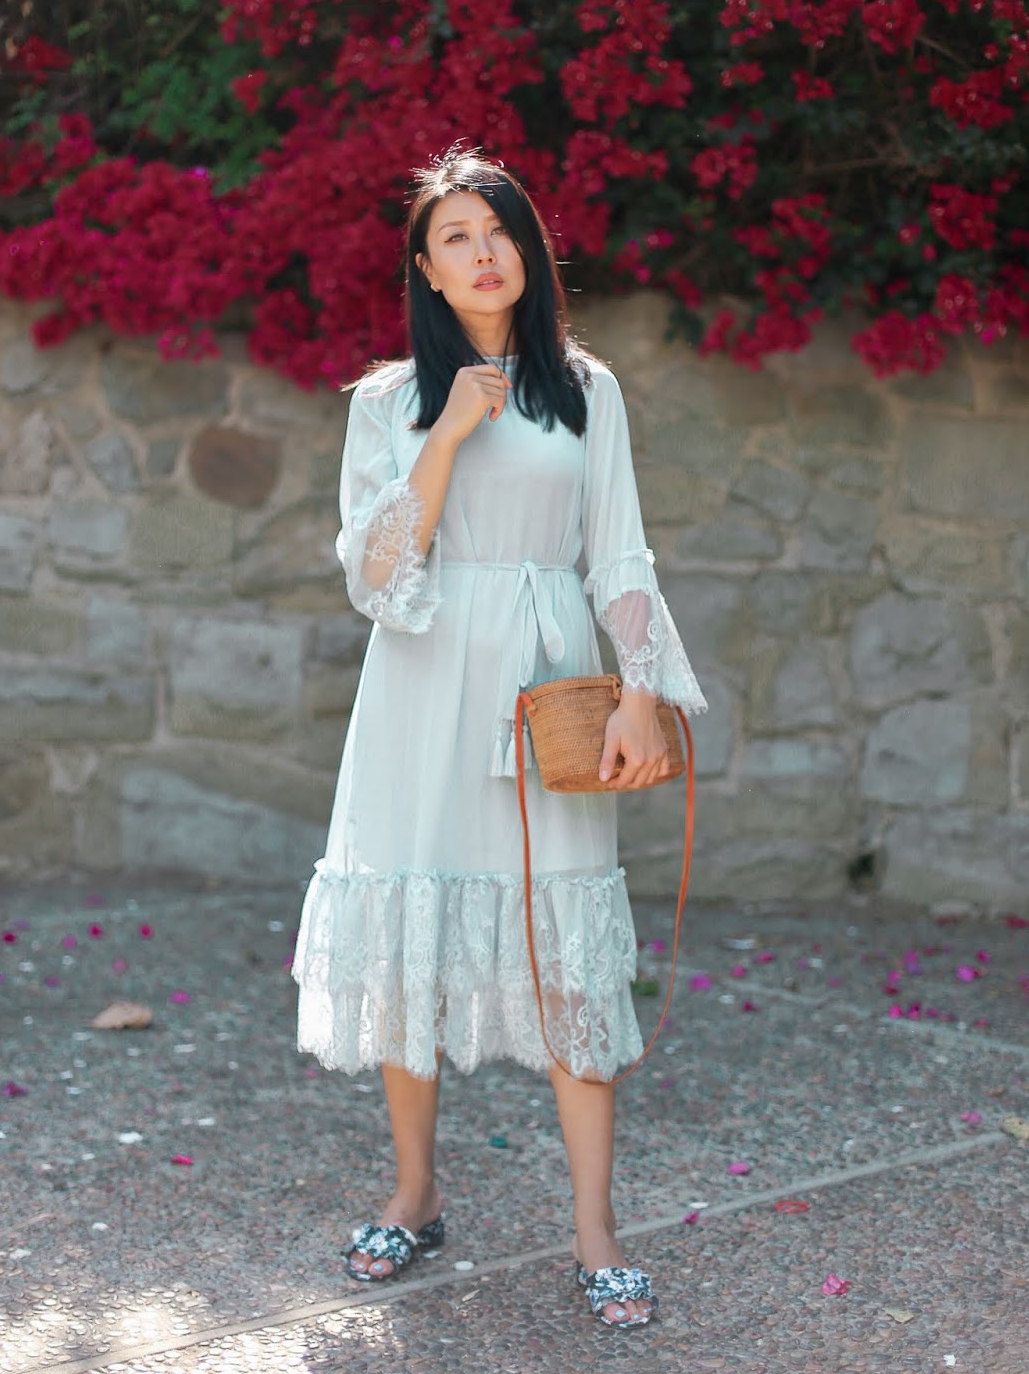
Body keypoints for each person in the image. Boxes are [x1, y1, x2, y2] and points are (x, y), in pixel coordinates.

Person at [291, 145, 709, 1329]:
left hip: (552, 685)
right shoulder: (385, 401)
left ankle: (595, 1230)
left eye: (498, 229)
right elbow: (374, 573)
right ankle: (414, 1190)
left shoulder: (586, 386)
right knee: (411, 923)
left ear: (526, 249)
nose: (482, 251)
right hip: (420, 687)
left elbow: (618, 551)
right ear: (424, 267)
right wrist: (443, 437)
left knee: (568, 940)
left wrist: (638, 689)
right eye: (457, 236)